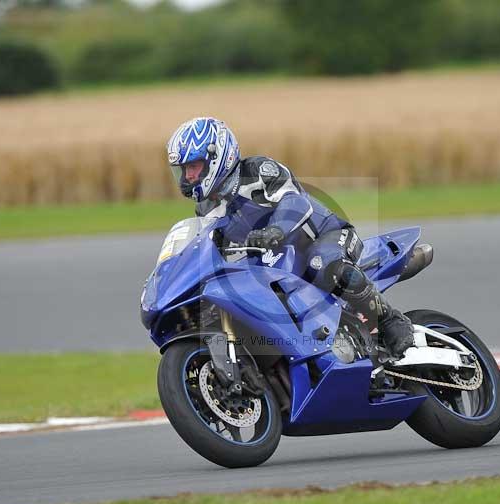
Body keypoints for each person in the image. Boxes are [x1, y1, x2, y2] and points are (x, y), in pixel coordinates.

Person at [166, 116, 414, 359]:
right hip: (278, 264)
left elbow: (294, 199)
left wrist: (276, 230)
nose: (188, 177)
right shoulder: (206, 210)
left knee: (323, 263)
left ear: (217, 156)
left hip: (327, 236)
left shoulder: (258, 171)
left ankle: (390, 321)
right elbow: (210, 249)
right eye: (184, 170)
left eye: (193, 167)